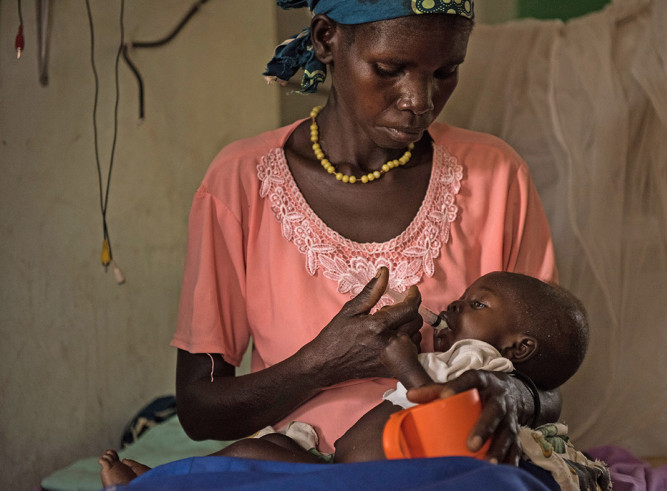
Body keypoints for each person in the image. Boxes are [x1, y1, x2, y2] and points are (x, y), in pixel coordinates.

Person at [113, 0, 560, 484]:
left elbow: (550, 385)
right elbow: (200, 411)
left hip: (448, 468)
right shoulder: (238, 184)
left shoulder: (497, 177)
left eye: (445, 72)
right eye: (390, 69)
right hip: (299, 471)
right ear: (327, 39)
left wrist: (509, 394)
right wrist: (318, 364)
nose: (420, 100)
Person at [99, 271, 587, 485]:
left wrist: (393, 351)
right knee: (257, 452)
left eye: (477, 304)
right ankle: (164, 482)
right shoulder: (235, 182)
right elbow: (198, 408)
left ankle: (164, 485)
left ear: (518, 349)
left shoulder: (481, 367)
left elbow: (425, 396)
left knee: (251, 462)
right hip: (336, 467)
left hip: (381, 477)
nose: (456, 304)